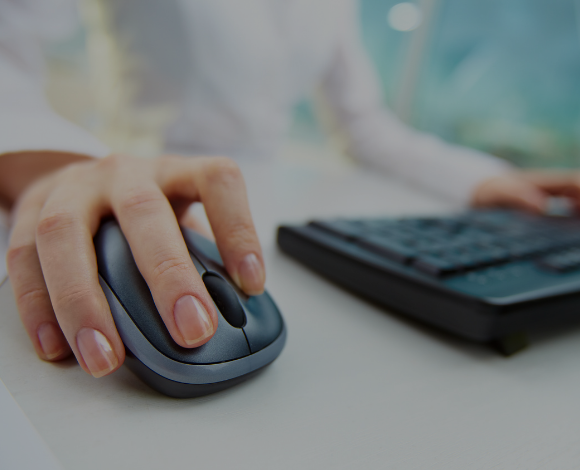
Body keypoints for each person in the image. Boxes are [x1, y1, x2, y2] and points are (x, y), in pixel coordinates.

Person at [2, 0, 580, 379]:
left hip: (259, 217)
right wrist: (55, 166)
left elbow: (366, 125)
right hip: (137, 191)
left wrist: (485, 179)